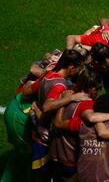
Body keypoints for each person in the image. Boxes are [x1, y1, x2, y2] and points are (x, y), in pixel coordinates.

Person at [22, 49, 89, 180]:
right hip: (46, 138)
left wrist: (36, 107)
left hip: (38, 132)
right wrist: (70, 98)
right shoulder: (60, 85)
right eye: (78, 69)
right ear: (71, 67)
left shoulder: (48, 74)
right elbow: (47, 106)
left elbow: (27, 91)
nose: (78, 72)